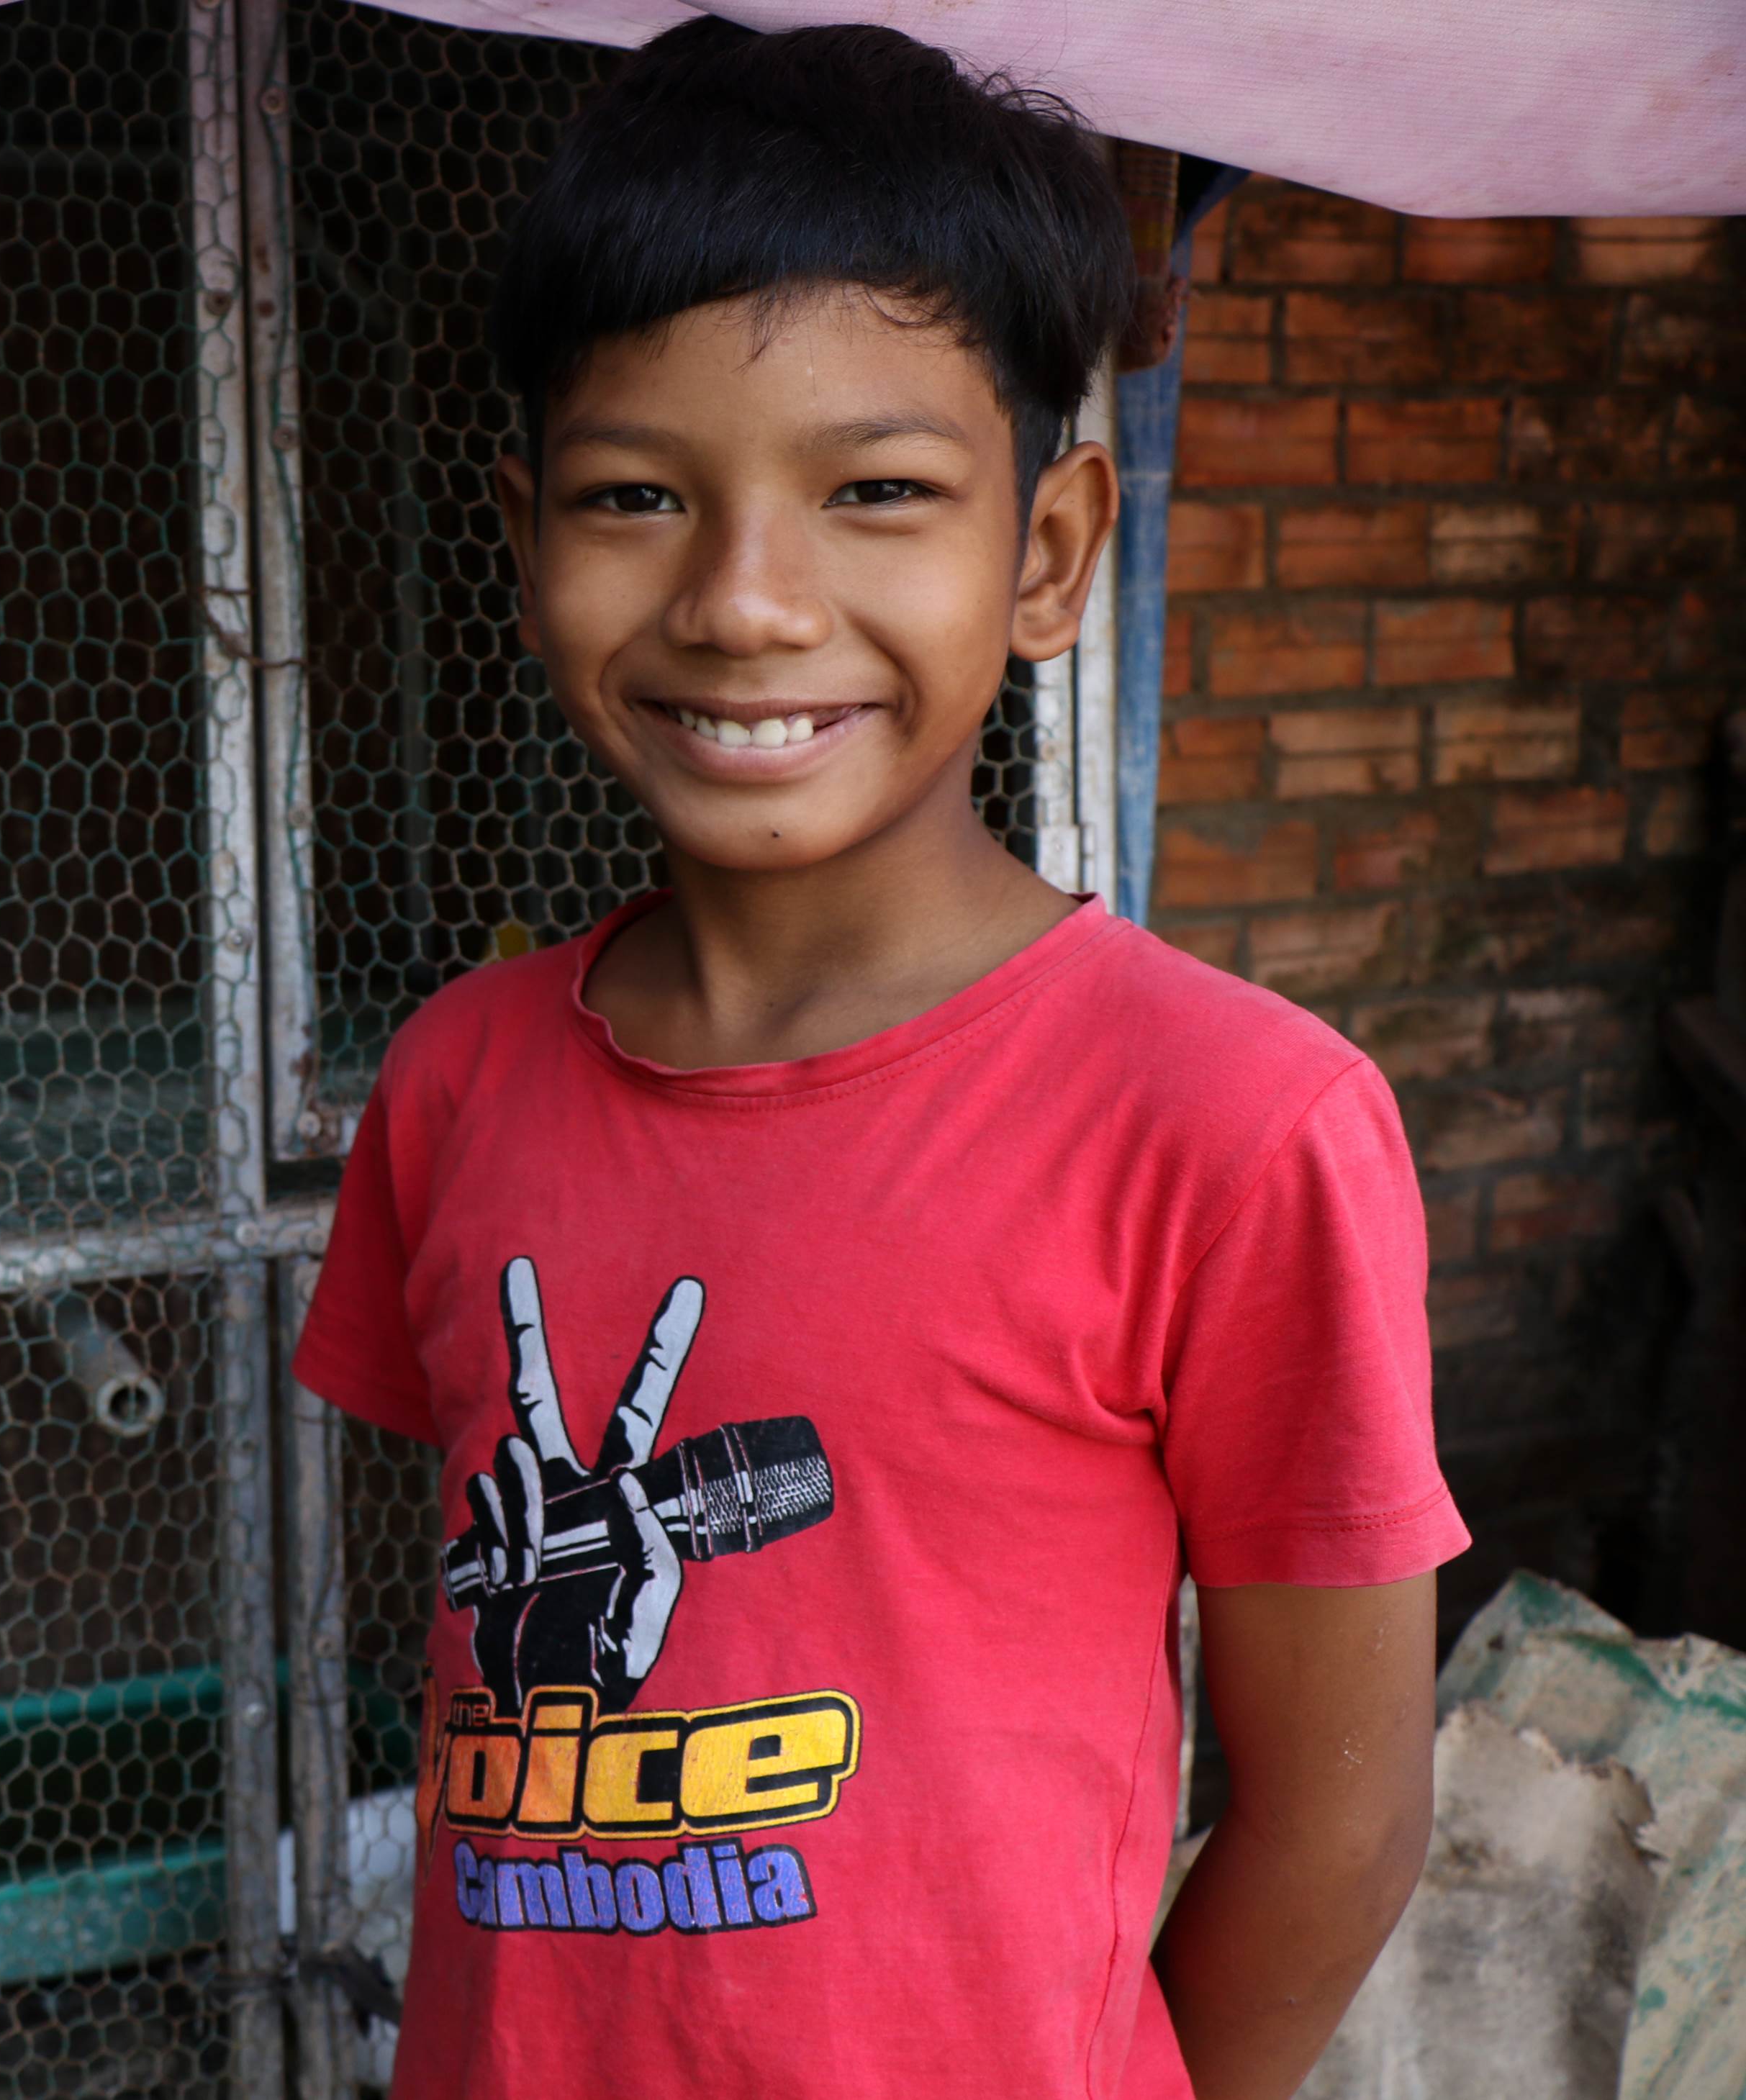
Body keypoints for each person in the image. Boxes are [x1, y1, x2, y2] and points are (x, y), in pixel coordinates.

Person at [289, 21, 1465, 2100]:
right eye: (637, 495)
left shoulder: (1226, 1123)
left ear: (1043, 550)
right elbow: (511, 1708)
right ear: (521, 533)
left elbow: (1336, 1820)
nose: (747, 603)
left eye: (875, 495)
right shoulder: (458, 1080)